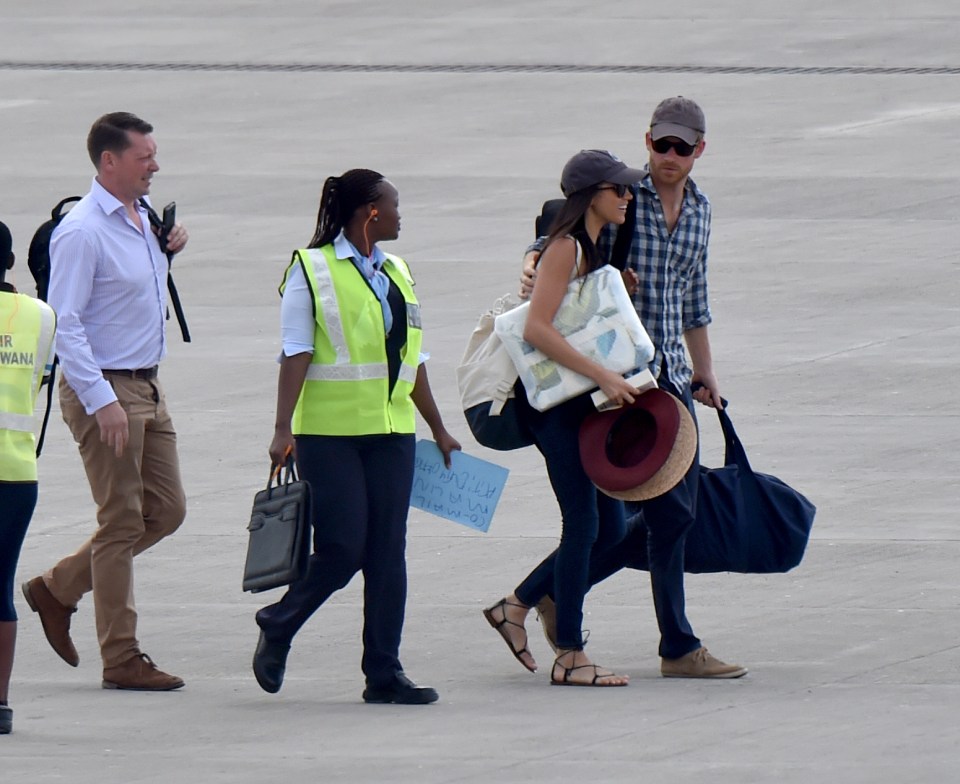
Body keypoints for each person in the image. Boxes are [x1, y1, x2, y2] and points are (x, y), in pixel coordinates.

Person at [519, 97, 747, 679]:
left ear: (700, 150)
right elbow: (557, 223)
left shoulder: (700, 211)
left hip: (671, 376)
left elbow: (694, 297)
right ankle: (672, 645)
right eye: (660, 144)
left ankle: (534, 599)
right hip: (618, 385)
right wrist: (533, 256)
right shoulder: (622, 196)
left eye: (681, 147)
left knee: (662, 516)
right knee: (645, 517)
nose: (668, 156)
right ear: (647, 140)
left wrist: (706, 370)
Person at [252, 168, 461, 705]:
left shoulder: (399, 272)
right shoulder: (312, 269)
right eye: (393, 203)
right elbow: (295, 351)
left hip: (391, 433)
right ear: (370, 211)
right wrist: (281, 428)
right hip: (329, 435)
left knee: (388, 552)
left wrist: (438, 427)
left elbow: (413, 358)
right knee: (344, 548)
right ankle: (280, 622)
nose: (399, 212)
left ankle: (384, 673)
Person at [22, 111, 190, 691]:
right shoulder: (82, 232)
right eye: (145, 157)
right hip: (106, 387)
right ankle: (121, 658)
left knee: (165, 511)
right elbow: (65, 326)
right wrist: (101, 401)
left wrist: (169, 249)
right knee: (119, 521)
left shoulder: (138, 216)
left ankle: (58, 587)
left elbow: (129, 292)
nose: (155, 166)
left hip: (147, 382)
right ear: (109, 162)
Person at [483, 150, 650, 688]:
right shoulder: (566, 246)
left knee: (612, 527)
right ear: (590, 195)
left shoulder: (592, 245)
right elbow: (538, 329)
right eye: (618, 189)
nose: (627, 197)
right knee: (584, 525)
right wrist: (603, 375)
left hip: (572, 405)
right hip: (552, 408)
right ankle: (571, 655)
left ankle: (518, 605)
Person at [0, 221, 57, 733]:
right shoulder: (39, 317)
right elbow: (40, 378)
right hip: (16, 472)